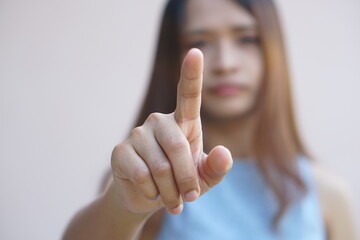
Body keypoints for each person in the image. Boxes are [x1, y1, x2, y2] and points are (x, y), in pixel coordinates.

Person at [63, 0, 357, 239]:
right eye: (200, 41)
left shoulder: (326, 194)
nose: (225, 63)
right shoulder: (143, 179)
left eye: (246, 38)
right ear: (173, 56)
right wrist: (124, 206)